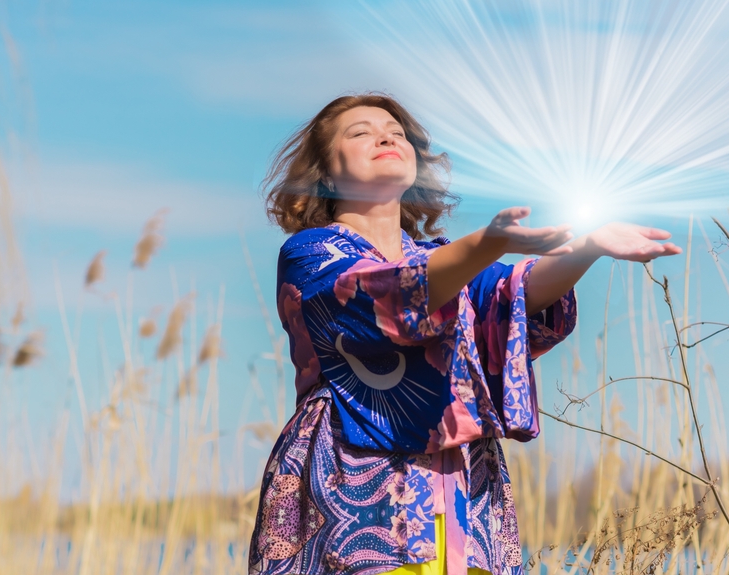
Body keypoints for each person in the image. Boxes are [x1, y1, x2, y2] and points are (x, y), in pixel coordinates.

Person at [247, 94, 681, 575]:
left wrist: (587, 248)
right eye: (360, 132)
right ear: (325, 173)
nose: (386, 136)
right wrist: (487, 242)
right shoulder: (312, 253)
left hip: (461, 488)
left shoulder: (446, 256)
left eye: (395, 131)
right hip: (354, 482)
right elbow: (382, 296)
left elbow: (511, 293)